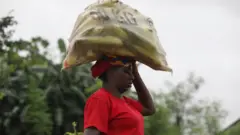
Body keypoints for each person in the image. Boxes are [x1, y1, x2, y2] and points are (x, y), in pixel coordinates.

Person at [83, 55, 155, 135]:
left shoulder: (126, 102)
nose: (132, 77)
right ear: (110, 71)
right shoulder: (100, 99)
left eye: (132, 73)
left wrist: (135, 72)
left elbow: (149, 109)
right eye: (126, 71)